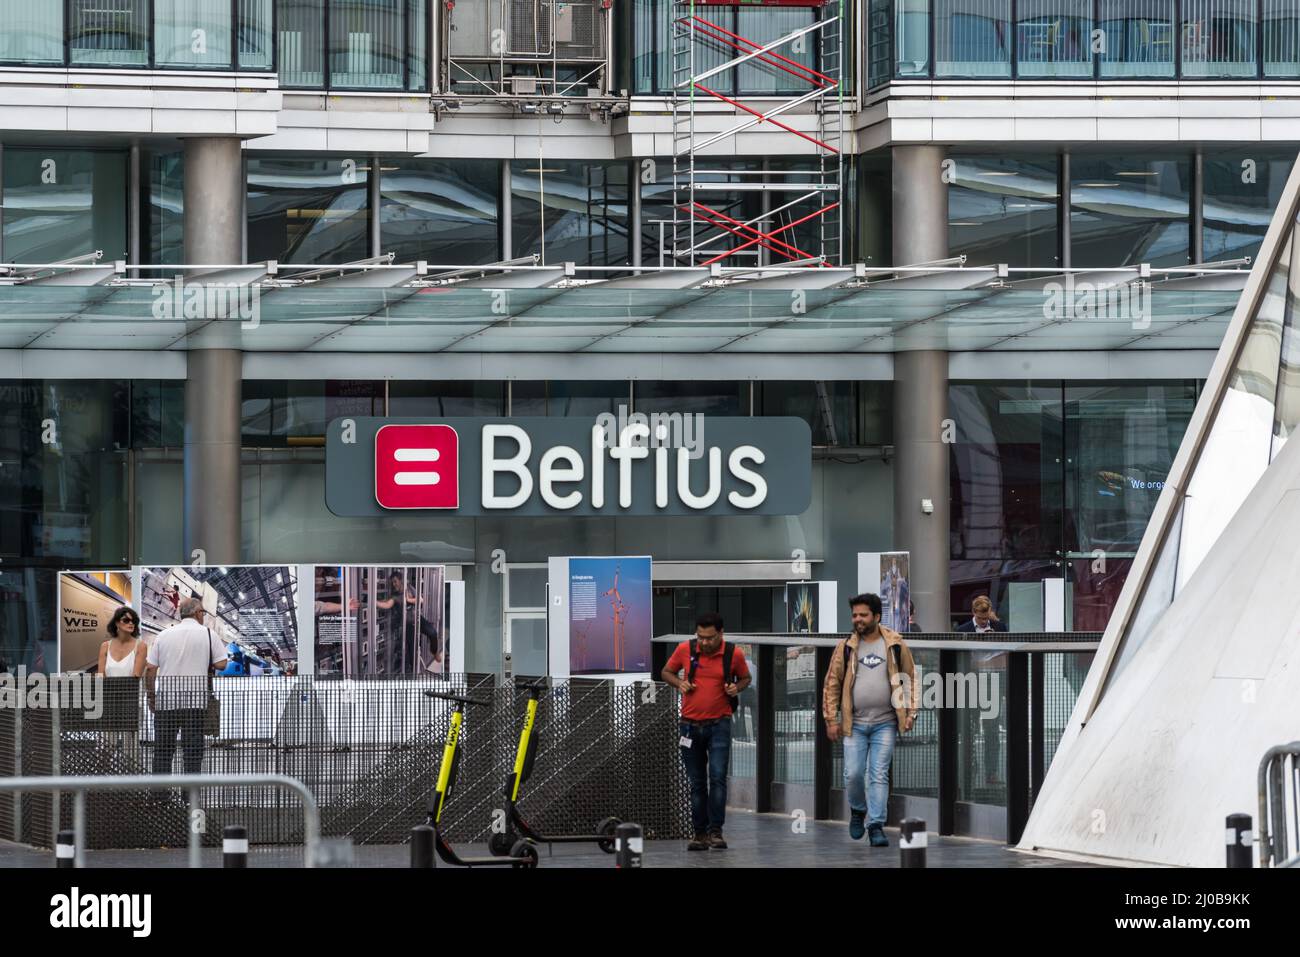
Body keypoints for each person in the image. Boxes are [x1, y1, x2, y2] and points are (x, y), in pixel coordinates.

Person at [822, 593, 919, 847]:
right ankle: (857, 810)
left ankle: (876, 825)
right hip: (854, 723)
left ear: (876, 616)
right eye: (855, 615)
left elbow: (910, 678)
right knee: (853, 774)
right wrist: (831, 719)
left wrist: (910, 713)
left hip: (885, 722)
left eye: (863, 615)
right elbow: (831, 684)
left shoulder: (895, 644)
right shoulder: (846, 647)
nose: (858, 619)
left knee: (878, 774)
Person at [661, 612, 751, 851]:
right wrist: (679, 683)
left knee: (718, 778)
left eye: (709, 638)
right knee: (696, 782)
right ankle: (699, 834)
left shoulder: (733, 654)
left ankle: (716, 832)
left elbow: (745, 678)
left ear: (720, 634)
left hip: (719, 724)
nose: (704, 642)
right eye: (700, 637)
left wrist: (736, 687)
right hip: (689, 726)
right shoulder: (684, 650)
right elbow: (666, 671)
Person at [144, 597, 228, 775]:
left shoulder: (163, 635)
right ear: (198, 613)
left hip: (166, 703)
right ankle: (189, 798)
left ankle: (161, 797)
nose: (203, 616)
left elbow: (150, 669)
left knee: (162, 752)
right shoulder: (208, 634)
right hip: (195, 703)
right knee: (192, 753)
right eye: (203, 612)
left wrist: (151, 696)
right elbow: (222, 664)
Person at [956, 595, 1008, 787]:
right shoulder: (963, 630)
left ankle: (991, 773)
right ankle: (970, 772)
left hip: (993, 684)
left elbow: (1005, 656)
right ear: (973, 613)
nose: (984, 622)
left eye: (987, 619)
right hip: (971, 684)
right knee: (968, 729)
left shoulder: (1000, 628)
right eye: (981, 619)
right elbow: (960, 659)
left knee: (992, 731)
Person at [97, 606, 144, 764]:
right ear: (117, 623)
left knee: (130, 750)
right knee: (105, 746)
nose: (131, 623)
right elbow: (100, 676)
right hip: (109, 704)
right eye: (126, 620)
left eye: (134, 621)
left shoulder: (140, 646)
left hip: (131, 704)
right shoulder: (105, 646)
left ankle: (131, 785)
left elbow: (136, 675)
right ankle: (104, 783)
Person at [375, 572, 442, 671]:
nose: (394, 584)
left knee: (433, 633)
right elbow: (387, 605)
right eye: (392, 583)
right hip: (408, 624)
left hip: (418, 618)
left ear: (401, 580)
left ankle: (434, 652)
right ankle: (414, 673)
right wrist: (374, 601)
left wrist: (408, 600)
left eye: (395, 582)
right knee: (412, 651)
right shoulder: (395, 596)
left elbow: (421, 600)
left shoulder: (409, 588)